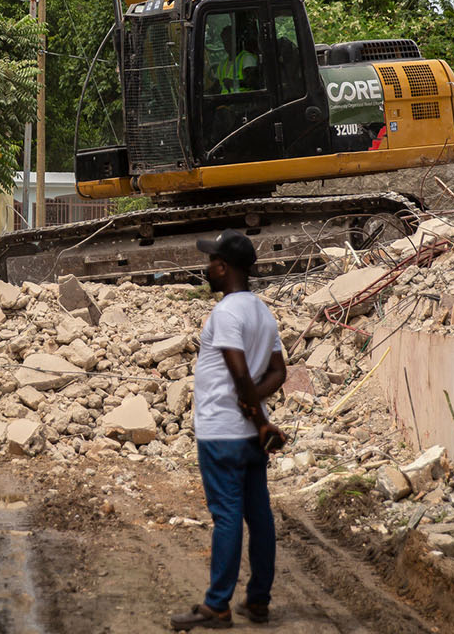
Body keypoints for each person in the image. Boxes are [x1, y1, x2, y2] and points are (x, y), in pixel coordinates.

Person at [170, 229, 288, 630]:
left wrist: (254, 414)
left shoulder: (224, 313)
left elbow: (238, 371)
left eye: (210, 262)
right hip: (251, 436)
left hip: (222, 431)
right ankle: (258, 601)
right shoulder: (261, 311)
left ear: (223, 267)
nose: (206, 269)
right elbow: (279, 371)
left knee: (226, 517)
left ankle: (217, 606)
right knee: (259, 516)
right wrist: (259, 414)